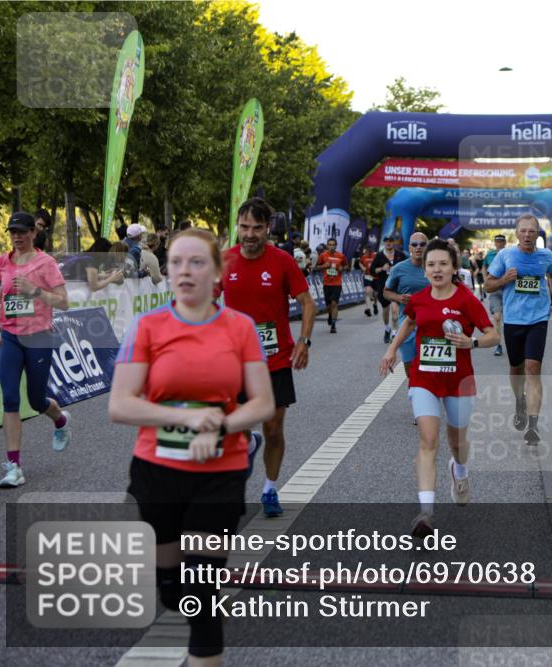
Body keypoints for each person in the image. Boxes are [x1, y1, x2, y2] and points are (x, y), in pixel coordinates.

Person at [109, 227, 275, 666]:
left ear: (217, 272)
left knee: (200, 592)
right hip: (157, 471)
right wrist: (186, 419)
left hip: (219, 472)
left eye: (197, 262)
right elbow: (120, 405)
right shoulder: (148, 327)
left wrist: (220, 427)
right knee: (171, 590)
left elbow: (262, 402)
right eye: (177, 262)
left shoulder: (240, 328)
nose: (185, 271)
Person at [380, 238, 499, 537]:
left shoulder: (466, 300)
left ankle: (459, 469)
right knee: (428, 439)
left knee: (457, 442)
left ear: (453, 267)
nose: (437, 269)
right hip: (425, 379)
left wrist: (471, 342)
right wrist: (391, 350)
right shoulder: (419, 299)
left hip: (459, 381)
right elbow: (409, 322)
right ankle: (426, 513)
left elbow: (493, 335)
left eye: (443, 264)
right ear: (425, 269)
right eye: (431, 264)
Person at [221, 197, 317, 518]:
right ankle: (248, 444)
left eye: (257, 228)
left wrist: (303, 340)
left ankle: (270, 489)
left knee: (273, 428)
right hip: (234, 361)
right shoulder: (225, 261)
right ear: (237, 226)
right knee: (236, 427)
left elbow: (307, 302)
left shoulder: (282, 261)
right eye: (244, 227)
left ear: (268, 229)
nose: (250, 234)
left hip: (274, 359)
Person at [0, 212, 72, 488]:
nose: (17, 236)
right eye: (13, 232)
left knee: (36, 400)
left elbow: (64, 302)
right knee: (10, 398)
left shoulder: (46, 263)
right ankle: (14, 467)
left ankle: (60, 420)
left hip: (38, 337)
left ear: (33, 233)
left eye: (22, 232)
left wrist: (34, 291)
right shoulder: (3, 261)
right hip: (10, 336)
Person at [485, 214, 552, 446]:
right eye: (523, 231)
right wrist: (503, 280)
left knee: (533, 368)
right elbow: (488, 285)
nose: (528, 235)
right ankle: (520, 400)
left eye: (532, 231)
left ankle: (533, 426)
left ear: (537, 234)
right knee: (516, 367)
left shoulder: (545, 255)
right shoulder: (505, 255)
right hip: (514, 320)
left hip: (538, 319)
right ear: (517, 233)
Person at [383, 232, 429, 378]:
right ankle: (414, 388)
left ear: (427, 247)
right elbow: (386, 292)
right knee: (411, 372)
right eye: (414, 244)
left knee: (430, 369)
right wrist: (399, 298)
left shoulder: (435, 268)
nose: (418, 247)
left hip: (431, 323)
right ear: (409, 247)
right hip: (407, 326)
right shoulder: (399, 268)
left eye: (422, 244)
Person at [371, 236, 406, 343]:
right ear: (384, 243)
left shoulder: (400, 255)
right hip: (383, 287)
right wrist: (382, 268)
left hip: (396, 288)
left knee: (395, 311)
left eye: (390, 241)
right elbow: (372, 271)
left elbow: (406, 267)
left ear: (393, 243)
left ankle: (394, 333)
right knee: (386, 311)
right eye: (386, 241)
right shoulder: (379, 256)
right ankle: (387, 328)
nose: (388, 243)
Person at [482, 234, 507, 357]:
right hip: (495, 289)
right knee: (497, 317)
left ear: (505, 243)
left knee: (510, 319)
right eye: (497, 241)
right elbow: (484, 267)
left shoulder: (510, 254)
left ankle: (515, 343)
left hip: (509, 289)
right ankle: (498, 345)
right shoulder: (490, 254)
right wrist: (485, 280)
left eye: (501, 241)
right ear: (495, 242)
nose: (499, 243)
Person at [316, 237, 348, 334]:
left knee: (334, 304)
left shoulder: (341, 256)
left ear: (336, 246)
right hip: (326, 284)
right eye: (329, 245)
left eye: (333, 245)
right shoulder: (323, 255)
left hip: (337, 284)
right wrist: (324, 266)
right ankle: (330, 315)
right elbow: (315, 267)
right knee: (328, 306)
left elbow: (347, 266)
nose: (331, 247)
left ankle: (333, 325)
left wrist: (342, 268)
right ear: (327, 245)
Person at [359, 246, 377, 317]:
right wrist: (363, 267)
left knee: (375, 294)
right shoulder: (363, 257)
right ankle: (368, 309)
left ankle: (375, 304)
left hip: (375, 277)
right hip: (367, 276)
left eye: (369, 251)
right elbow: (360, 263)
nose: (367, 252)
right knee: (367, 292)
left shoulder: (375, 255)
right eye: (366, 251)